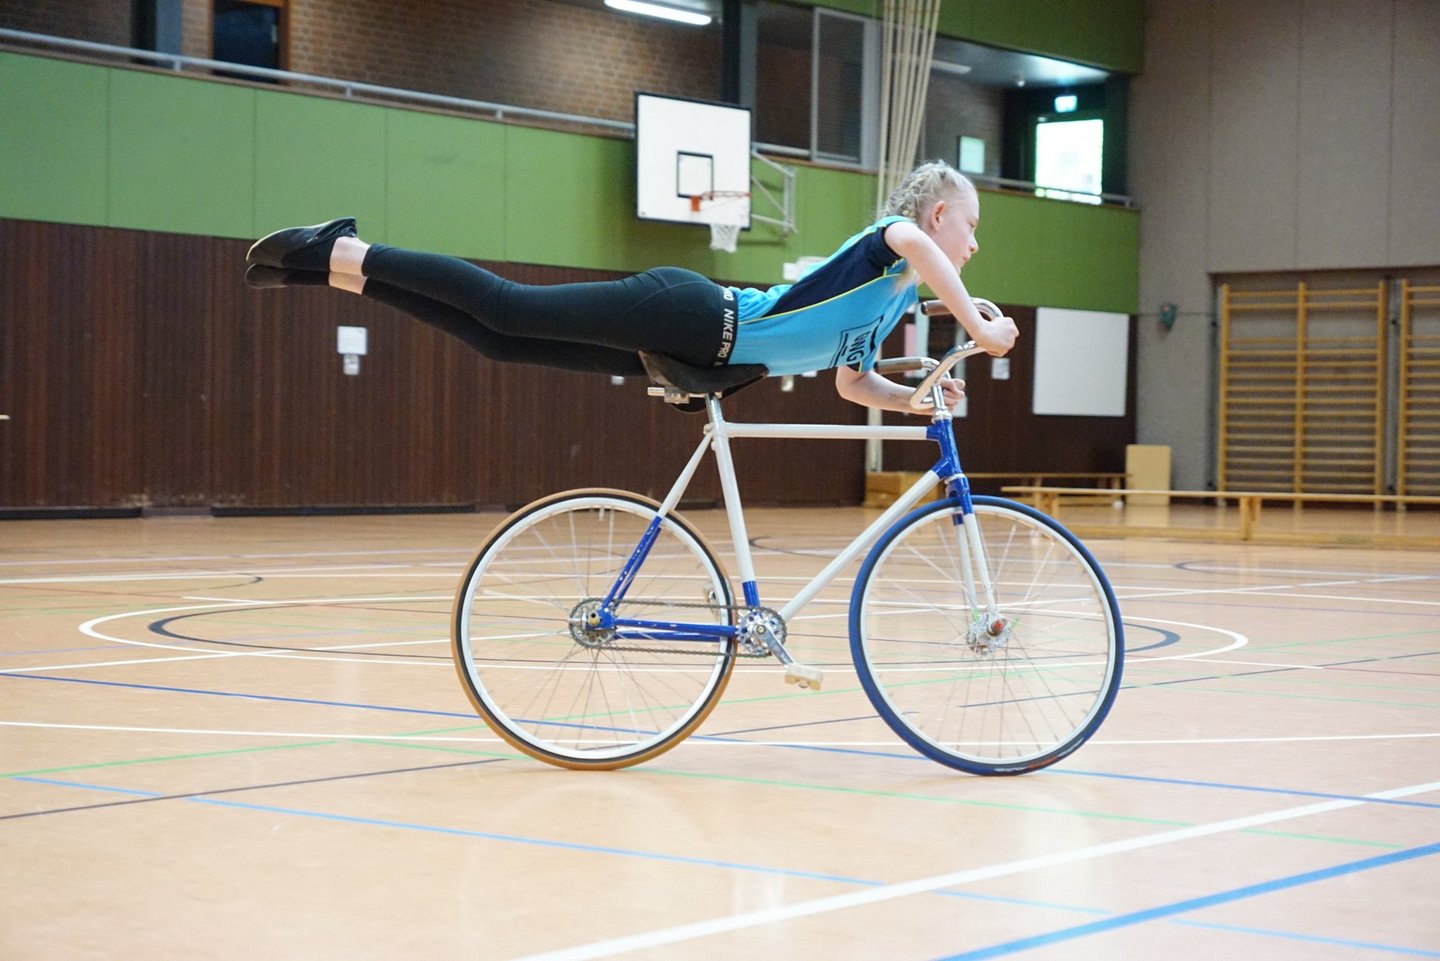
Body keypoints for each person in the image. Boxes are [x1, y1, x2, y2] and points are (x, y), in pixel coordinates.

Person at [244, 160, 1018, 413]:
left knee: (498, 343)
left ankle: (331, 269)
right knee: (508, 305)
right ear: (943, 214)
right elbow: (916, 244)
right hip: (694, 312)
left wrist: (911, 399)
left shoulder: (887, 303)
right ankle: (351, 245)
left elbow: (853, 385)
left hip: (700, 361)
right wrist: (980, 333)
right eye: (974, 228)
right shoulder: (890, 247)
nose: (977, 244)